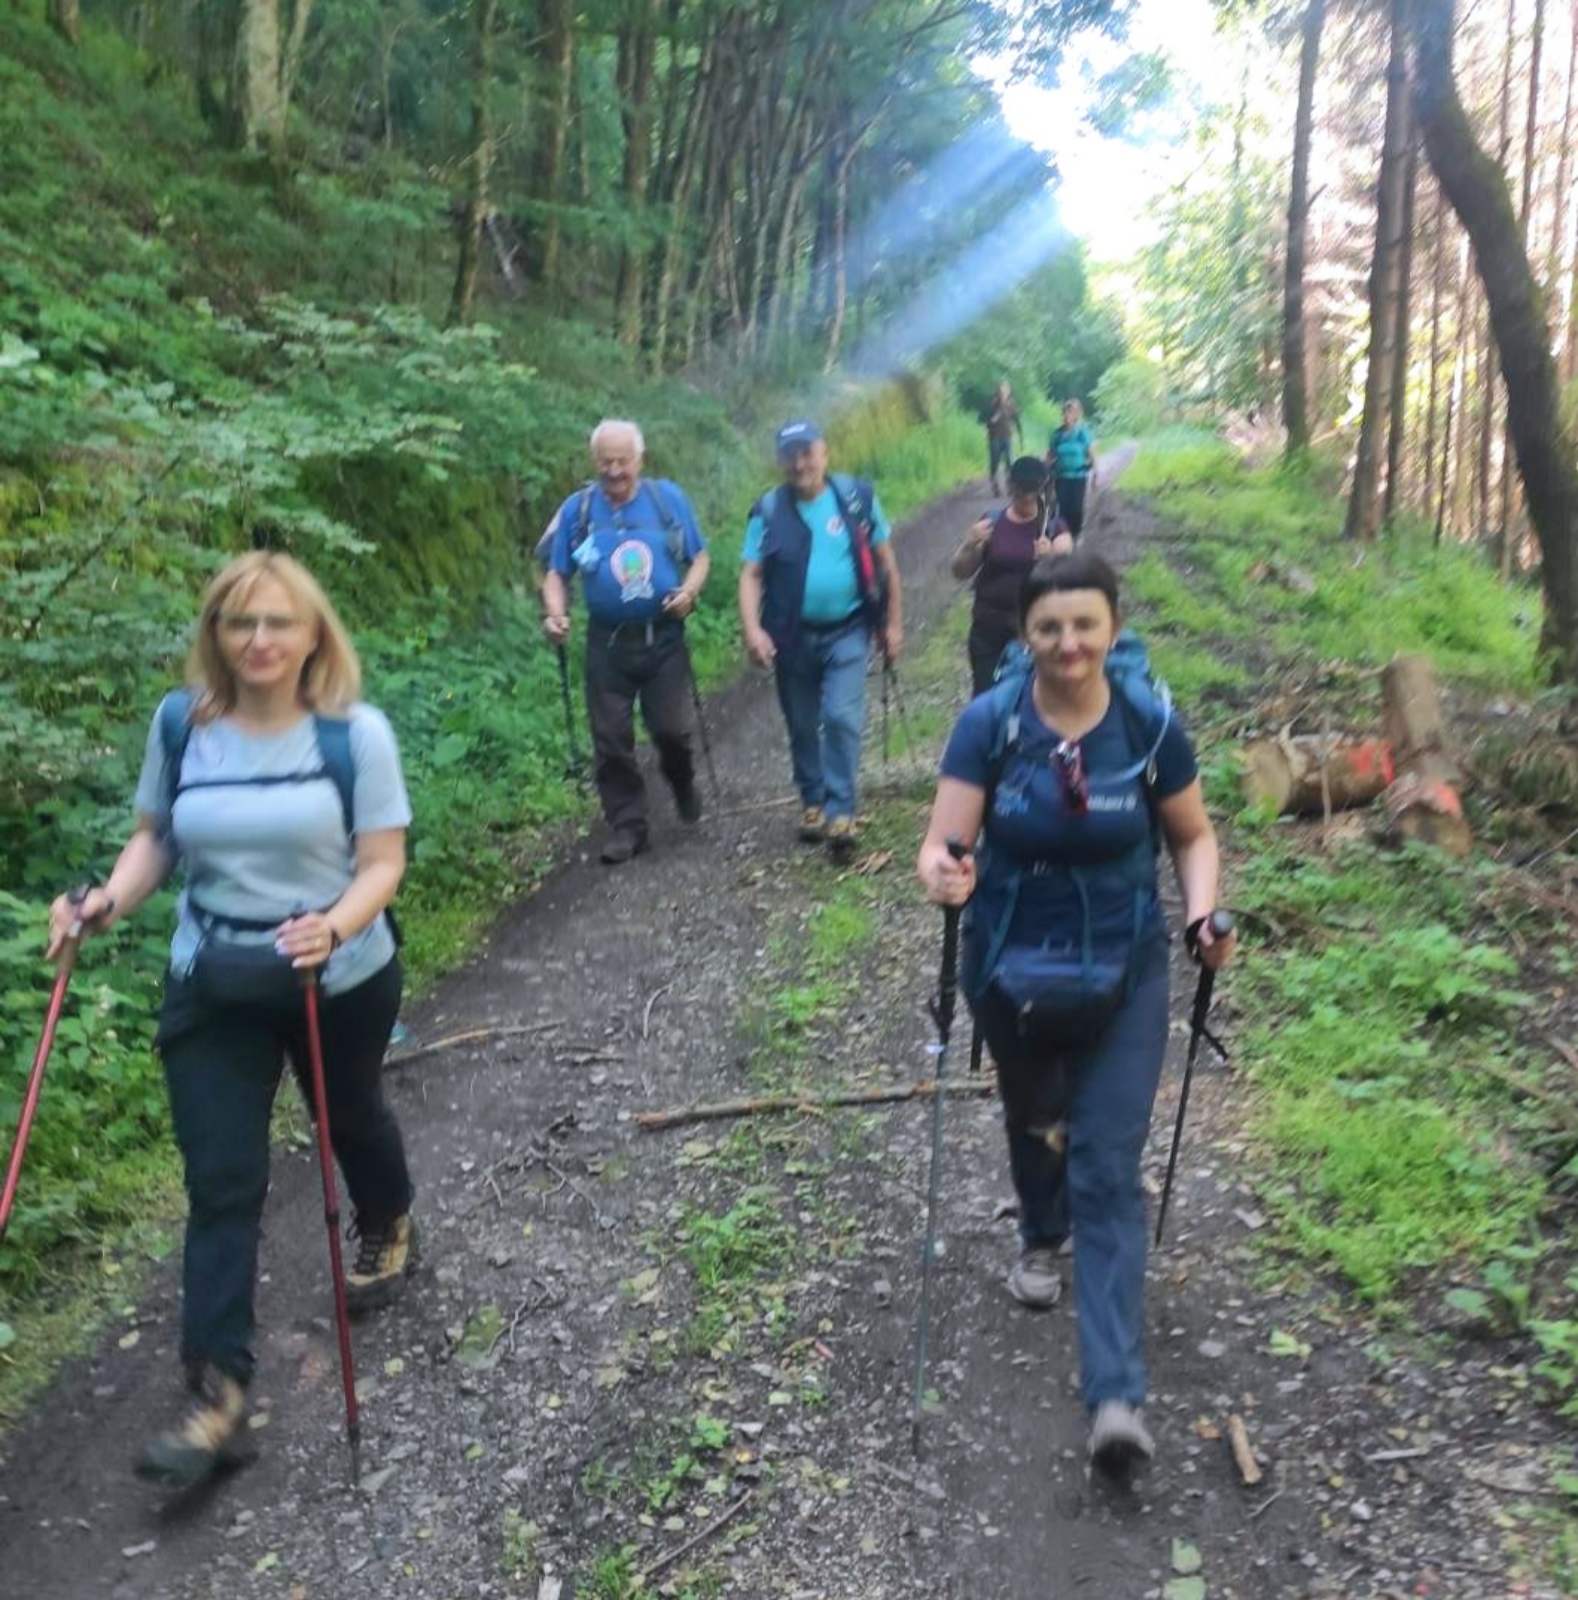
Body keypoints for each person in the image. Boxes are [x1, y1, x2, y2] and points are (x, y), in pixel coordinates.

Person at [45, 552, 418, 1490]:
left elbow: (383, 860)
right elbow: (156, 838)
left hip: (336, 975)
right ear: (214, 631)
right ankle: (219, 1392)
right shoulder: (183, 723)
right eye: (239, 622)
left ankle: (387, 1217)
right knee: (221, 1179)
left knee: (350, 1115)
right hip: (212, 976)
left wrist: (333, 926)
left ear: (312, 633)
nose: (259, 640)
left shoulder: (354, 734)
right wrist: (106, 902)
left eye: (278, 621)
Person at [916, 551, 1234, 1475]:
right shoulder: (991, 723)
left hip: (1126, 969)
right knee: (1037, 1121)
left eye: (1085, 624)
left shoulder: (1147, 722)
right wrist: (943, 874)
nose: (1068, 643)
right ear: (1026, 635)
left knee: (1105, 1163)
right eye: (1050, 627)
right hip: (1010, 965)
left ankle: (1115, 1399)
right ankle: (1038, 1232)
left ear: (1113, 628)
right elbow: (942, 842)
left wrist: (1203, 916)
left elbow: (1193, 835)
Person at [541, 419, 711, 865]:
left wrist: (688, 593)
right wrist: (555, 613)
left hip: (663, 637)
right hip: (607, 643)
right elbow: (556, 573)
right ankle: (628, 826)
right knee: (611, 739)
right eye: (605, 462)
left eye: (622, 461)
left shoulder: (666, 500)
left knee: (670, 730)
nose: (614, 471)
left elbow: (699, 558)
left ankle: (681, 779)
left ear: (640, 459)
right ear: (594, 461)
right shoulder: (578, 510)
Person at [739, 420, 904, 862]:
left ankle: (841, 811)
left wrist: (892, 625)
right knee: (801, 722)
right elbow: (751, 574)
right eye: (790, 455)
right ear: (781, 461)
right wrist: (753, 630)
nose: (800, 464)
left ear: (824, 453)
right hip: (790, 635)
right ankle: (812, 800)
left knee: (841, 716)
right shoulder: (768, 510)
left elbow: (886, 564)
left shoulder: (855, 499)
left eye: (807, 452)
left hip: (848, 630)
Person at [952, 455, 1072, 696]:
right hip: (989, 629)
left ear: (1042, 491)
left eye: (1031, 493)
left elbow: (1069, 575)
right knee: (987, 697)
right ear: (1011, 488)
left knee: (1032, 698)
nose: (1026, 499)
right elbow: (960, 571)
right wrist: (969, 544)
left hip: (1035, 630)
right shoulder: (991, 523)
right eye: (1021, 492)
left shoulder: (1054, 528)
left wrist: (1049, 558)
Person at [1047, 398, 1098, 540]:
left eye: (1070, 412)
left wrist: (1096, 473)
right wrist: (1045, 472)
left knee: (1076, 508)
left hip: (1078, 476)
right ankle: (1064, 534)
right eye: (1065, 412)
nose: (1066, 416)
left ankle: (1076, 534)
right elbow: (1050, 455)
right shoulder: (1057, 434)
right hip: (1061, 476)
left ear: (1076, 415)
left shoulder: (1082, 433)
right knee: (1063, 507)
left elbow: (1091, 453)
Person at [983, 380, 1022, 496]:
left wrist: (1020, 436)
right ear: (998, 392)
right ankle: (994, 484)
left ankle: (1010, 485)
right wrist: (992, 420)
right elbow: (986, 420)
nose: (1003, 393)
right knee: (995, 461)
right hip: (994, 436)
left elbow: (1016, 420)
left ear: (1008, 392)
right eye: (1001, 391)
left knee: (1009, 461)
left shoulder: (1011, 404)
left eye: (1005, 391)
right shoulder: (992, 404)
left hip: (1007, 436)